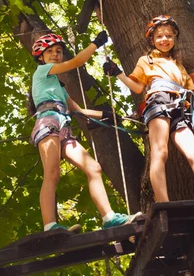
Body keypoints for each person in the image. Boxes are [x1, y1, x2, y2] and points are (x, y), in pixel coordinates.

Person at [103, 15, 194, 202]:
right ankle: (163, 202)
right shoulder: (146, 60)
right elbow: (137, 87)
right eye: (159, 36)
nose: (164, 39)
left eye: (168, 36)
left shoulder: (178, 66)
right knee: (160, 151)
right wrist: (117, 73)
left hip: (181, 106)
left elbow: (192, 95)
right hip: (159, 101)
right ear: (152, 40)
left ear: (174, 38)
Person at [29, 31, 140, 232]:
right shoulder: (43, 71)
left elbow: (77, 110)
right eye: (50, 51)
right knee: (52, 173)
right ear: (41, 56)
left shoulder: (59, 87)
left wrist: (104, 114)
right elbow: (78, 61)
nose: (55, 54)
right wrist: (95, 43)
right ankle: (50, 226)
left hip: (64, 126)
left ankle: (109, 217)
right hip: (48, 123)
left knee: (94, 168)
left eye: (59, 51)